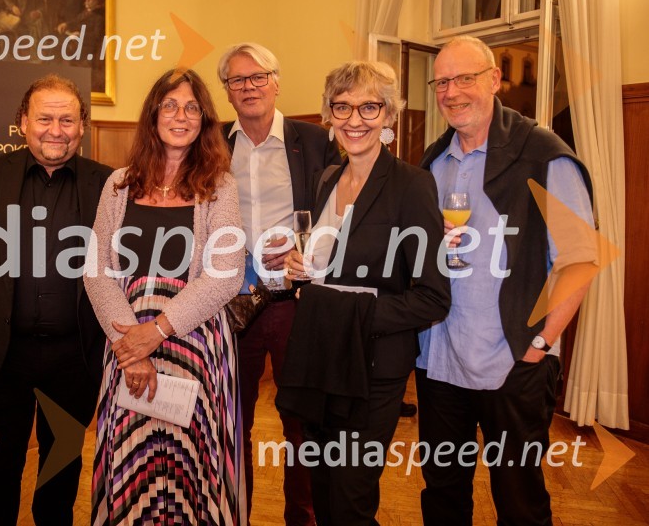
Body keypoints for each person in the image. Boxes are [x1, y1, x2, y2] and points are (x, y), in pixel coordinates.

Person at [417, 35, 597, 525]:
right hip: (440, 360)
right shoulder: (432, 161)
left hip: (513, 362)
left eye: (465, 78)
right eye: (442, 82)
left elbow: (579, 261)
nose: (452, 92)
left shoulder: (543, 154)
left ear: (495, 80)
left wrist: (538, 345)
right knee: (442, 494)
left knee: (520, 502)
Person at [279, 60, 451, 525]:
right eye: (343, 107)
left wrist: (348, 311)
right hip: (321, 357)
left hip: (373, 366)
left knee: (350, 500)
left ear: (389, 115)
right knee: (322, 490)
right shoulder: (326, 179)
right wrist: (300, 270)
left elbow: (433, 297)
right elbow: (326, 270)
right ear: (329, 115)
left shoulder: (412, 185)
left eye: (369, 107)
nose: (355, 119)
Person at [0, 74, 113, 525]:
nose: (56, 130)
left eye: (67, 120)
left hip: (75, 358)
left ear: (83, 126)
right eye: (44, 119)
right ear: (22, 122)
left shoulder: (108, 183)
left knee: (61, 473)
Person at [84, 68, 245, 525]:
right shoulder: (118, 184)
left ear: (204, 120)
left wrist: (156, 331)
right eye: (170, 105)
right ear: (153, 115)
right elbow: (96, 270)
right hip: (126, 347)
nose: (181, 115)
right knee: (132, 464)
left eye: (192, 107)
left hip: (196, 346)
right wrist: (130, 347)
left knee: (192, 471)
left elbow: (226, 274)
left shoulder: (220, 185)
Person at [217, 42, 341, 526]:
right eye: (237, 80)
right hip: (231, 303)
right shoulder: (212, 145)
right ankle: (235, 515)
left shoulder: (315, 141)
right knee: (232, 424)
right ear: (227, 91)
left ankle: (302, 518)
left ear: (276, 83)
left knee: (302, 425)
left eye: (258, 77)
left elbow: (339, 211)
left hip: (295, 302)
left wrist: (303, 242)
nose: (249, 87)